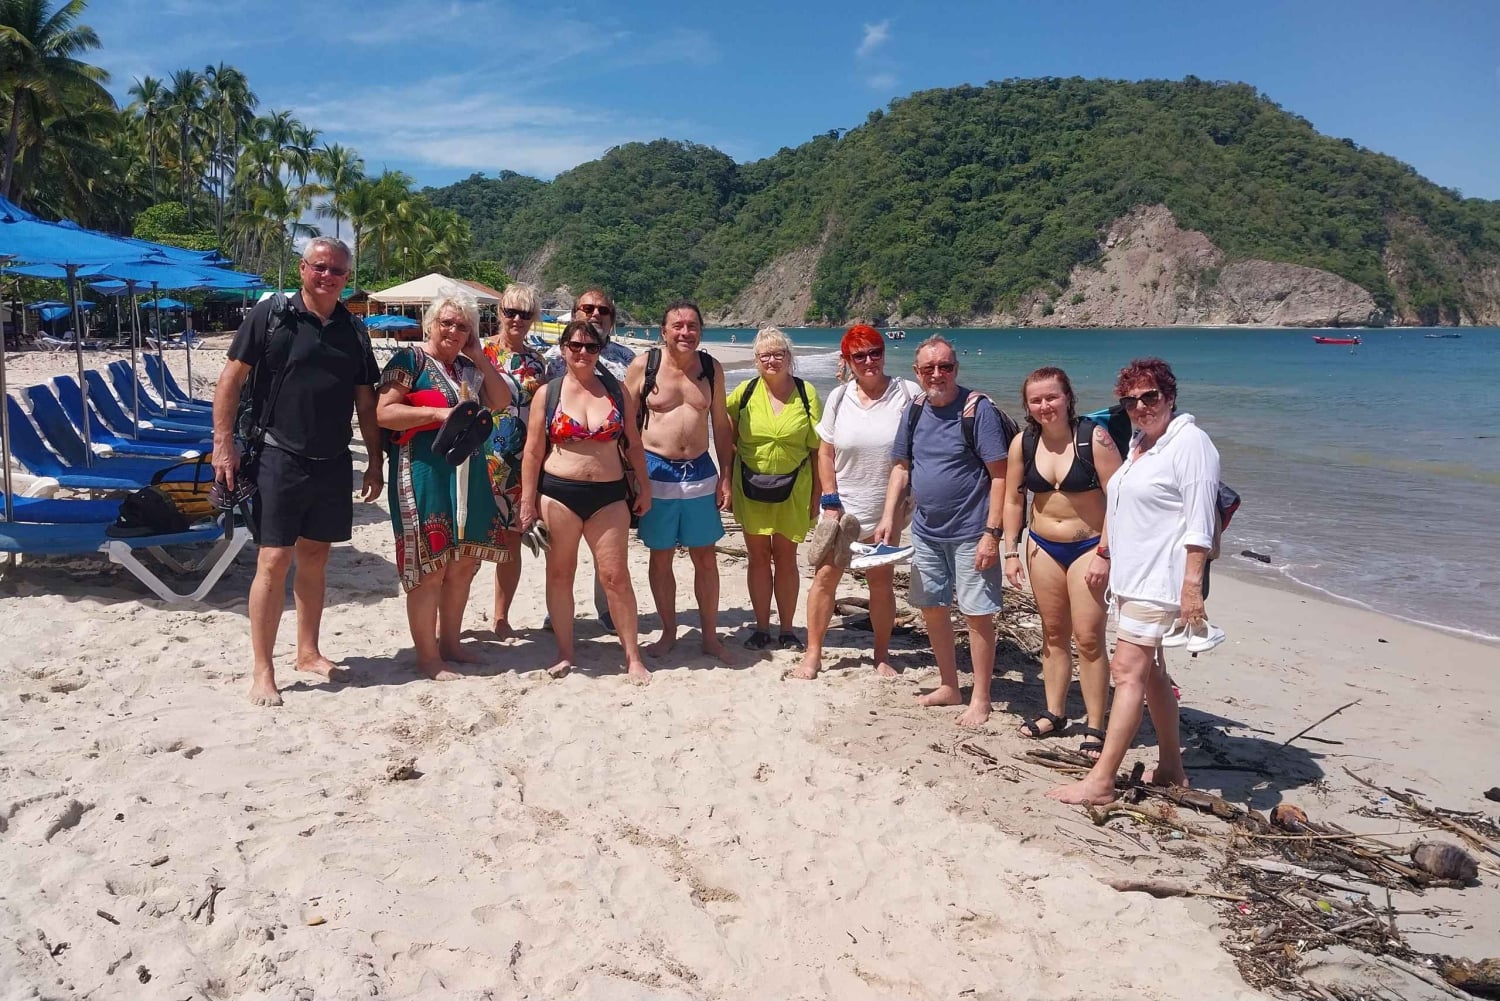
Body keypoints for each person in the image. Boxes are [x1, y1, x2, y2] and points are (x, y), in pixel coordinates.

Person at [211, 237, 383, 707]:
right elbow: (231, 377)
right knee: (272, 559)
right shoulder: (271, 316)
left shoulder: (354, 330)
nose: (327, 277)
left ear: (348, 278)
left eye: (337, 271)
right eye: (320, 267)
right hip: (277, 453)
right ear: (303, 268)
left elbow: (366, 400)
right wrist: (222, 443)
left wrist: (375, 459)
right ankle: (262, 669)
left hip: (332, 458)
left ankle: (307, 651)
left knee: (315, 557)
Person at [1049, 357, 1221, 805]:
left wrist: (1191, 590)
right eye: (1131, 400)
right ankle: (1170, 767)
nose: (1142, 406)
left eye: (1151, 397)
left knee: (1126, 673)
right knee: (1152, 675)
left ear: (1170, 395)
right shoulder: (1143, 442)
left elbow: (1200, 523)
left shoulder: (1191, 444)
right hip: (1134, 577)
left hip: (1161, 582)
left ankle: (1101, 781)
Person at [875, 335, 1013, 728]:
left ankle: (981, 697)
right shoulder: (915, 408)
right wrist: (889, 516)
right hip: (926, 531)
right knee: (932, 608)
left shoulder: (977, 410)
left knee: (977, 614)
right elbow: (901, 466)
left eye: (946, 366)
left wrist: (993, 533)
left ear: (956, 368)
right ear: (917, 372)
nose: (938, 374)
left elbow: (999, 475)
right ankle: (950, 685)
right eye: (929, 368)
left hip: (972, 531)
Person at [376, 290, 512, 680]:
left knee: (463, 563)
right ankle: (428, 656)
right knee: (429, 566)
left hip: (467, 475)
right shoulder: (410, 360)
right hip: (421, 472)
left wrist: (481, 358)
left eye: (462, 325)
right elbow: (383, 412)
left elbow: (500, 401)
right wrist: (437, 413)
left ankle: (450, 643)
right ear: (430, 324)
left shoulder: (467, 370)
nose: (453, 330)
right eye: (446, 322)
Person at [520, 319, 652, 682]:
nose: (582, 353)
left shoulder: (616, 392)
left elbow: (633, 444)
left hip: (609, 496)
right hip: (559, 493)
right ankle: (565, 652)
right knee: (560, 574)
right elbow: (533, 452)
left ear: (600, 351)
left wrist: (644, 486)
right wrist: (527, 505)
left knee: (616, 577)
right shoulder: (548, 394)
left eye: (590, 347)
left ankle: (633, 656)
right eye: (575, 346)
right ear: (563, 349)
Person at [1002, 367, 1122, 758]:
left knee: (1088, 638)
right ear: (1027, 405)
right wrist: (1010, 550)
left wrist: (1105, 552)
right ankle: (1054, 712)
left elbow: (1120, 501)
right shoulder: (1024, 442)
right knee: (1053, 633)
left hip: (1089, 547)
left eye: (1051, 397)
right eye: (1036, 400)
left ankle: (1095, 724)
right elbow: (1014, 499)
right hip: (1042, 547)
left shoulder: (1095, 439)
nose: (1044, 406)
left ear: (1068, 397)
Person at [794, 325, 917, 679]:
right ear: (847, 361)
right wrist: (830, 500)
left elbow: (921, 447)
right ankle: (813, 654)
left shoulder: (906, 393)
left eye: (874, 352)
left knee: (880, 582)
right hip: (843, 509)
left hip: (888, 510)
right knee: (825, 579)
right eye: (858, 356)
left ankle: (881, 656)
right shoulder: (838, 397)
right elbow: (825, 452)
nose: (868, 361)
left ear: (884, 353)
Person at [624, 299, 734, 661]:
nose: (685, 332)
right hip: (657, 472)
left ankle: (710, 636)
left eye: (692, 326)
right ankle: (669, 632)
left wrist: (726, 477)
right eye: (678, 326)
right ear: (664, 331)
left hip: (701, 471)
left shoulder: (711, 368)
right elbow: (627, 426)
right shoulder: (645, 365)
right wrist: (634, 477)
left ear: (700, 331)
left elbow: (720, 424)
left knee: (706, 558)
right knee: (661, 557)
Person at [726, 326, 823, 650]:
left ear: (789, 358)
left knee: (786, 557)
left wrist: (818, 495)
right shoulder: (745, 392)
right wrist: (724, 480)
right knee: (757, 557)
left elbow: (819, 449)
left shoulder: (806, 392)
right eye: (765, 354)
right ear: (756, 360)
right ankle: (761, 628)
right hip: (750, 487)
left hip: (796, 488)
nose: (772, 360)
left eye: (778, 354)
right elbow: (724, 433)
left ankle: (787, 630)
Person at [542, 287, 634, 630]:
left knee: (608, 553)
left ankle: (607, 608)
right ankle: (558, 611)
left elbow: (637, 414)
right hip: (560, 470)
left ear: (612, 318)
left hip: (613, 469)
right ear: (575, 312)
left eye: (603, 310)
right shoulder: (553, 358)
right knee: (561, 554)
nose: (595, 314)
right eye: (587, 308)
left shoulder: (627, 359)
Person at [482, 282, 547, 638]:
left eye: (525, 313)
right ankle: (451, 620)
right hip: (482, 459)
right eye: (511, 311)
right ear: (500, 312)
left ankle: (501, 617)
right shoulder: (479, 352)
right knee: (470, 544)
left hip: (521, 464)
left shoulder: (539, 363)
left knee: (510, 544)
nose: (517, 319)